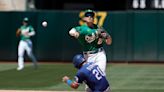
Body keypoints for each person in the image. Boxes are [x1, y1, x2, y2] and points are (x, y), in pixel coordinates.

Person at [69, 9, 112, 75]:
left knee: (101, 75)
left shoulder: (98, 28)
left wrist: (107, 37)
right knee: (89, 78)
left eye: (91, 16)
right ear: (84, 18)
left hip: (100, 54)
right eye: (87, 15)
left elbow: (109, 42)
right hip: (88, 56)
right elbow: (71, 31)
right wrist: (75, 33)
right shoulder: (82, 29)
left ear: (94, 18)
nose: (89, 17)